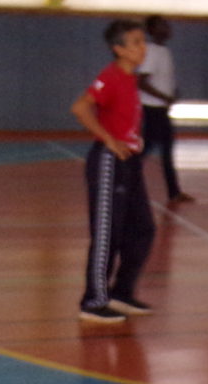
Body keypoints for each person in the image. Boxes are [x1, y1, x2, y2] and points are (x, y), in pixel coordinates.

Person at [69, 19, 158, 323]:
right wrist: (108, 140)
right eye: (135, 43)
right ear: (118, 49)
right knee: (108, 232)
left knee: (143, 228)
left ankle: (121, 292)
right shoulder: (111, 76)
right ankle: (93, 301)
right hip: (109, 161)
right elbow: (80, 107)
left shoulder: (131, 78)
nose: (142, 48)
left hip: (129, 160)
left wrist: (133, 141)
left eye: (143, 41)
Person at [137, 16, 195, 208]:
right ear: (153, 30)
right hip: (153, 109)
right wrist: (164, 97)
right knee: (152, 148)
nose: (167, 28)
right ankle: (123, 180)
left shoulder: (164, 51)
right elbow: (141, 82)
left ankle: (174, 192)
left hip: (160, 108)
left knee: (161, 149)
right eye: (162, 25)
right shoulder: (152, 52)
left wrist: (172, 91)